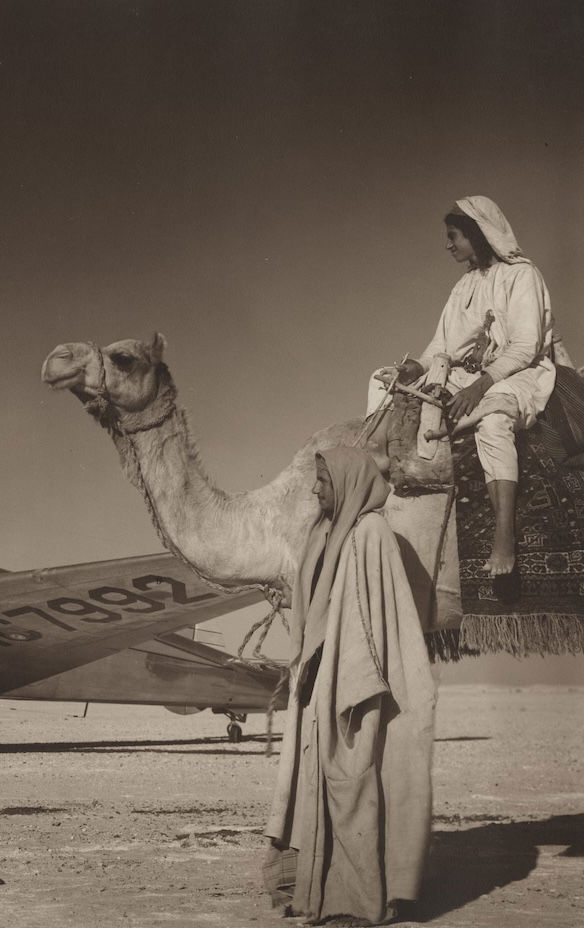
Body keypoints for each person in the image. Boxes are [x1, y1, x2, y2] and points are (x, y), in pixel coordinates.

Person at [264, 446, 437, 927]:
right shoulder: (325, 534)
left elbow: (373, 621)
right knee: (316, 785)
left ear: (346, 481)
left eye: (323, 479)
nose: (316, 488)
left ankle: (359, 901)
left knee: (355, 778)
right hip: (321, 678)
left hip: (359, 677)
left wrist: (350, 675)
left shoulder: (372, 534)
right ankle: (316, 892)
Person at [375, 196, 569, 576]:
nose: (448, 245)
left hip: (520, 373)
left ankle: (503, 536)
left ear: (477, 235)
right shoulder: (463, 287)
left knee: (493, 423)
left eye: (454, 236)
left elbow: (526, 346)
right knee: (382, 380)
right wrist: (412, 367)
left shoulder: (522, 275)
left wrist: (480, 387)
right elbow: (441, 347)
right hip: (468, 374)